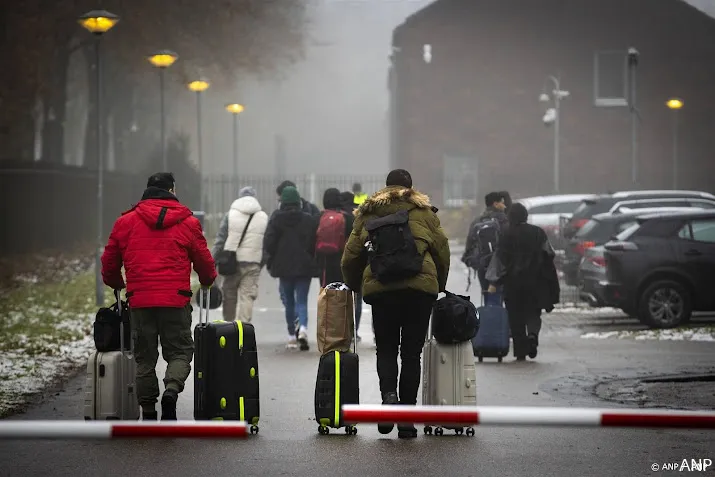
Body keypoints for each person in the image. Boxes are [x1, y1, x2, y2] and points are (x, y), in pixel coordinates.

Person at [341, 169, 450, 439]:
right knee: (412, 354)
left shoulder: (368, 213)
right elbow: (442, 250)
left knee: (387, 349)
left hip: (382, 288)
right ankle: (406, 418)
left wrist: (356, 284)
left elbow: (351, 254)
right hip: (419, 292)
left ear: (386, 187)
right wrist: (438, 284)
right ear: (411, 188)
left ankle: (389, 398)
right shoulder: (424, 212)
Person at [101, 172, 216, 421]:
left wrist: (116, 282)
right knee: (180, 351)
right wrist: (207, 281)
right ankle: (171, 391)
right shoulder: (188, 223)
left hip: (140, 301)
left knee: (144, 357)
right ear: (172, 190)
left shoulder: (125, 222)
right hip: (175, 300)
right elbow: (205, 263)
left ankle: (149, 410)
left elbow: (109, 262)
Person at [486, 202, 560, 361]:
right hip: (536, 281)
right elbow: (549, 253)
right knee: (533, 312)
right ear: (525, 216)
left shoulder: (506, 234)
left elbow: (499, 260)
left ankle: (520, 351)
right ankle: (532, 336)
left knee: (515, 316)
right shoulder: (538, 232)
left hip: (512, 283)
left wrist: (493, 281)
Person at [263, 186, 318, 351]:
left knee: (289, 302)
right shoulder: (308, 219)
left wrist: (271, 258)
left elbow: (269, 242)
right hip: (304, 265)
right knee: (302, 300)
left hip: (283, 265)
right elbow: (313, 242)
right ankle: (303, 329)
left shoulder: (276, 219)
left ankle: (291, 336)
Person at [211, 186, 268, 323]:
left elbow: (221, 239)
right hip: (253, 262)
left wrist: (212, 259)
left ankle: (228, 326)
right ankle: (243, 329)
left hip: (231, 262)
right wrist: (261, 262)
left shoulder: (230, 215)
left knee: (229, 296)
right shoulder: (264, 217)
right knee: (247, 296)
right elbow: (267, 244)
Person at [462, 191, 509, 301]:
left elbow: (469, 246)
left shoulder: (477, 221)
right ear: (495, 204)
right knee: (503, 298)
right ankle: (502, 317)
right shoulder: (505, 221)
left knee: (487, 296)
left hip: (483, 266)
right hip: (502, 266)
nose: (505, 205)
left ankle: (489, 316)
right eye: (502, 202)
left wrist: (476, 263)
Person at [340, 190, 366, 342]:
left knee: (341, 298)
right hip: (358, 263)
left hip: (340, 261)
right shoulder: (358, 215)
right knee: (357, 299)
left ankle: (341, 330)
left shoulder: (340, 216)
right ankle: (354, 331)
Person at [316, 188, 353, 287]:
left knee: (326, 291)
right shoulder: (348, 218)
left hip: (323, 261)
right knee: (341, 292)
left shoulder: (319, 217)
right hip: (342, 260)